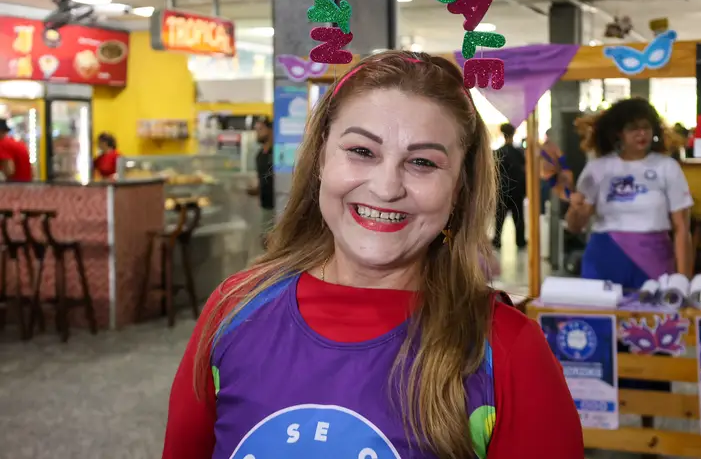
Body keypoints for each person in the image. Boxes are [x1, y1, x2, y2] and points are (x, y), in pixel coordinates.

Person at [163, 52, 583, 459]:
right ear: (321, 159)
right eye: (362, 151)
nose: (386, 188)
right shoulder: (234, 310)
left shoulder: (508, 351)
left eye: (422, 162)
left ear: (459, 188)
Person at [566, 97, 694, 286]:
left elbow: (682, 229)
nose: (641, 134)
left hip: (653, 258)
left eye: (646, 127)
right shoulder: (597, 168)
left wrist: (684, 282)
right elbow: (575, 226)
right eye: (633, 128)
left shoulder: (667, 167)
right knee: (600, 315)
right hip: (604, 257)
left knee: (654, 314)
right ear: (619, 133)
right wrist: (575, 209)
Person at [493, 123, 526, 249]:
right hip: (517, 190)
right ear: (513, 134)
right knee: (518, 218)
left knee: (499, 217)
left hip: (502, 189)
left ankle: (497, 241)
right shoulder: (518, 153)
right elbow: (523, 171)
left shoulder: (498, 152)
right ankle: (520, 241)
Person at [246, 117, 275, 241]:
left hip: (279, 205)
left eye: (260, 129)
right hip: (265, 205)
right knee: (265, 240)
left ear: (270, 130)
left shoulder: (278, 153)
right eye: (256, 129)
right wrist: (256, 188)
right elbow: (262, 178)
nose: (257, 132)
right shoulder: (259, 155)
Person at [540, 128, 572, 213]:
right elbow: (562, 158)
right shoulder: (548, 147)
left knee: (558, 194)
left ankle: (545, 212)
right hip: (548, 175)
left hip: (550, 175)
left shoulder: (546, 147)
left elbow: (561, 158)